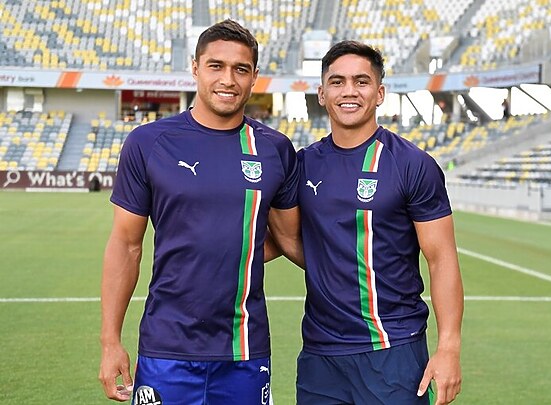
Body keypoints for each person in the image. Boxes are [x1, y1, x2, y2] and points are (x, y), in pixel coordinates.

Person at [98, 19, 301, 404]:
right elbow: (126, 245)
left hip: (245, 347)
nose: (228, 79)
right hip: (165, 347)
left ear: (254, 76)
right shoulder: (149, 143)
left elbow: (290, 239)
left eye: (241, 69)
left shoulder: (275, 149)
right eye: (216, 66)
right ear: (195, 68)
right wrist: (110, 341)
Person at [294, 40, 464, 405]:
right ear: (322, 94)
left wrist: (448, 346)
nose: (349, 91)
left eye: (361, 81)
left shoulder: (412, 165)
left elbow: (442, 258)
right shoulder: (303, 164)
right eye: (337, 82)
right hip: (319, 356)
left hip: (392, 350)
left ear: (380, 92)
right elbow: (277, 237)